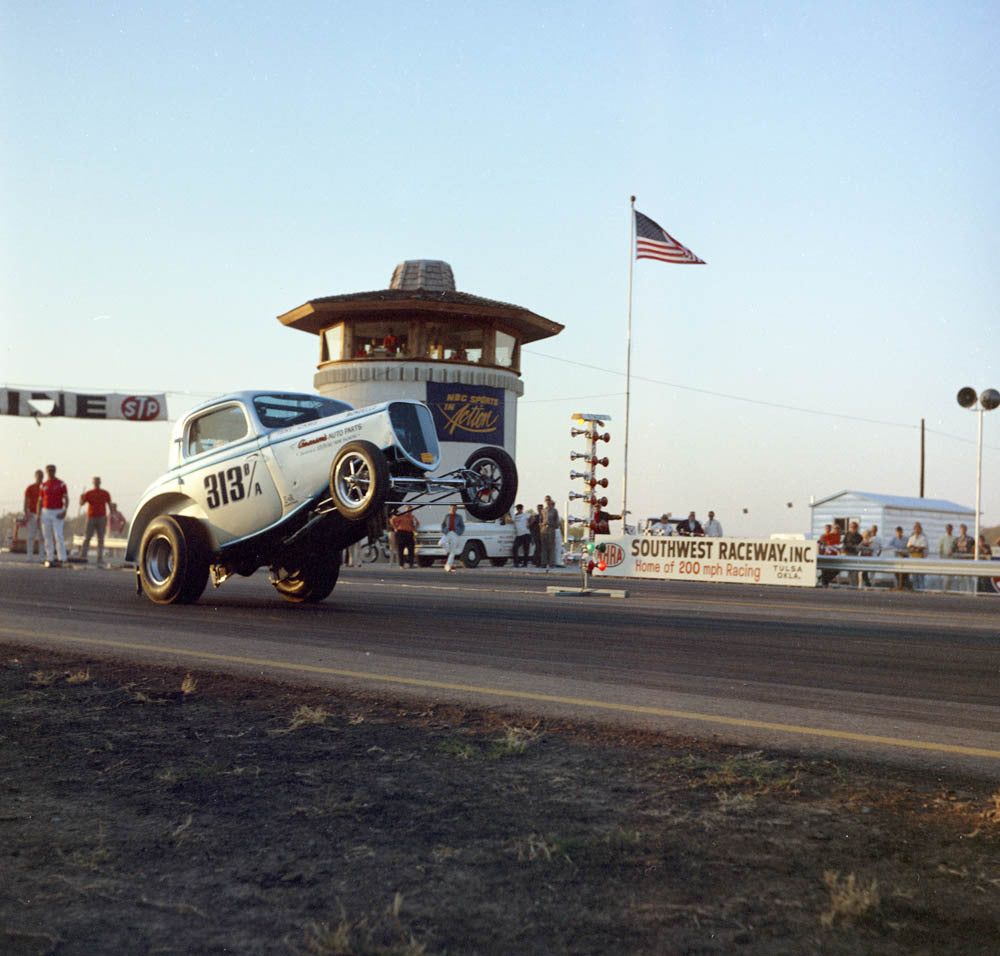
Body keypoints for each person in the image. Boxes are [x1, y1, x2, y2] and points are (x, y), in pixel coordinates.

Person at [37, 463, 69, 568]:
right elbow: (40, 501)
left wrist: (64, 511)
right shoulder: (44, 485)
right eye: (49, 470)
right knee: (47, 536)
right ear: (46, 472)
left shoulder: (61, 484)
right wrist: (38, 514)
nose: (50, 472)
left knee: (58, 535)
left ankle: (62, 558)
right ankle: (50, 558)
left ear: (55, 471)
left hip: (57, 512)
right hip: (46, 512)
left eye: (52, 470)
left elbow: (66, 498)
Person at [79, 476, 113, 564]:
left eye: (98, 482)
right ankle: (83, 556)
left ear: (100, 482)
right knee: (87, 537)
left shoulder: (105, 493)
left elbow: (109, 504)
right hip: (91, 517)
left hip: (102, 517)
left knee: (100, 538)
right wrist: (81, 497)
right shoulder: (89, 493)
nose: (96, 483)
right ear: (93, 483)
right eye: (95, 482)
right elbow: (82, 504)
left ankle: (100, 558)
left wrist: (112, 514)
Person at [22, 469, 43, 561]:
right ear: (35, 476)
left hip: (43, 514)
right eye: (38, 476)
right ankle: (29, 556)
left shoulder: (44, 487)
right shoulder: (30, 488)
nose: (40, 478)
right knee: (31, 536)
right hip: (32, 514)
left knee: (42, 537)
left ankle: (42, 557)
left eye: (41, 476)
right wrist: (26, 512)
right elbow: (26, 500)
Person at [951, 523, 976, 593]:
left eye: (964, 529)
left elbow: (974, 548)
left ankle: (969, 591)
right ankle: (961, 591)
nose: (963, 530)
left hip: (967, 560)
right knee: (960, 577)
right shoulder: (956, 539)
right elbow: (953, 548)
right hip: (959, 560)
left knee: (968, 577)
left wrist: (973, 556)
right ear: (960, 530)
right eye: (961, 529)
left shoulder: (970, 539)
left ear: (966, 529)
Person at [440, 503, 465, 572]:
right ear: (449, 508)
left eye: (454, 508)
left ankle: (448, 566)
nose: (453, 509)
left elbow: (462, 526)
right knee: (441, 543)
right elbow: (443, 524)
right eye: (452, 508)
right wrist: (444, 531)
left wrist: (459, 532)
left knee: (453, 551)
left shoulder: (459, 517)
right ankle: (449, 550)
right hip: (448, 532)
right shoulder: (447, 516)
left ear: (456, 509)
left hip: (455, 533)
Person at [539, 495, 560, 570]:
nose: (547, 501)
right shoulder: (543, 510)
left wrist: (553, 526)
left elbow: (557, 521)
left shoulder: (554, 510)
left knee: (551, 546)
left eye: (549, 500)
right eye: (546, 500)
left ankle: (551, 563)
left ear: (550, 501)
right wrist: (541, 526)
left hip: (551, 529)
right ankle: (543, 563)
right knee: (544, 547)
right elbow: (540, 520)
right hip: (544, 529)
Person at [841, 520, 864, 587]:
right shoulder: (847, 534)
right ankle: (851, 585)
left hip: (855, 554)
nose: (852, 528)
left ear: (857, 528)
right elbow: (844, 543)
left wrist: (855, 546)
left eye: (854, 527)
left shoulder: (859, 536)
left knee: (855, 571)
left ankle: (855, 585)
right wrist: (849, 545)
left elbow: (860, 545)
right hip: (847, 553)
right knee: (849, 570)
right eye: (851, 527)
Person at [907, 522, 928, 590]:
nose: (917, 530)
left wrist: (914, 547)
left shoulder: (923, 538)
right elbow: (908, 547)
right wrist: (915, 548)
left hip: (920, 558)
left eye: (918, 528)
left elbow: (922, 548)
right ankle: (915, 589)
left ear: (920, 529)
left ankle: (922, 589)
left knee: (921, 576)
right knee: (914, 576)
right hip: (913, 558)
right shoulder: (911, 538)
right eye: (915, 528)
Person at [937, 523, 955, 592]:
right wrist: (941, 556)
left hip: (952, 560)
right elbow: (939, 547)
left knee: (951, 577)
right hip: (945, 560)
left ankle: (950, 590)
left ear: (952, 529)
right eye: (947, 528)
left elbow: (955, 548)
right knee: (946, 577)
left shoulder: (954, 538)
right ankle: (944, 590)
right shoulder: (943, 537)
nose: (948, 530)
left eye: (950, 528)